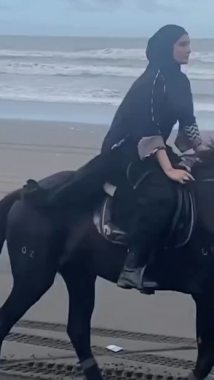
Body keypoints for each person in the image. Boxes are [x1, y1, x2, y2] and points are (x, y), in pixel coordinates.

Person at [22, 25, 204, 290]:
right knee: (161, 196)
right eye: (183, 44)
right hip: (128, 150)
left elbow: (188, 122)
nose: (189, 50)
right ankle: (133, 266)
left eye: (189, 44)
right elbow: (148, 129)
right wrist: (168, 170)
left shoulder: (180, 81)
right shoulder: (150, 81)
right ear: (168, 48)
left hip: (156, 148)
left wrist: (202, 152)